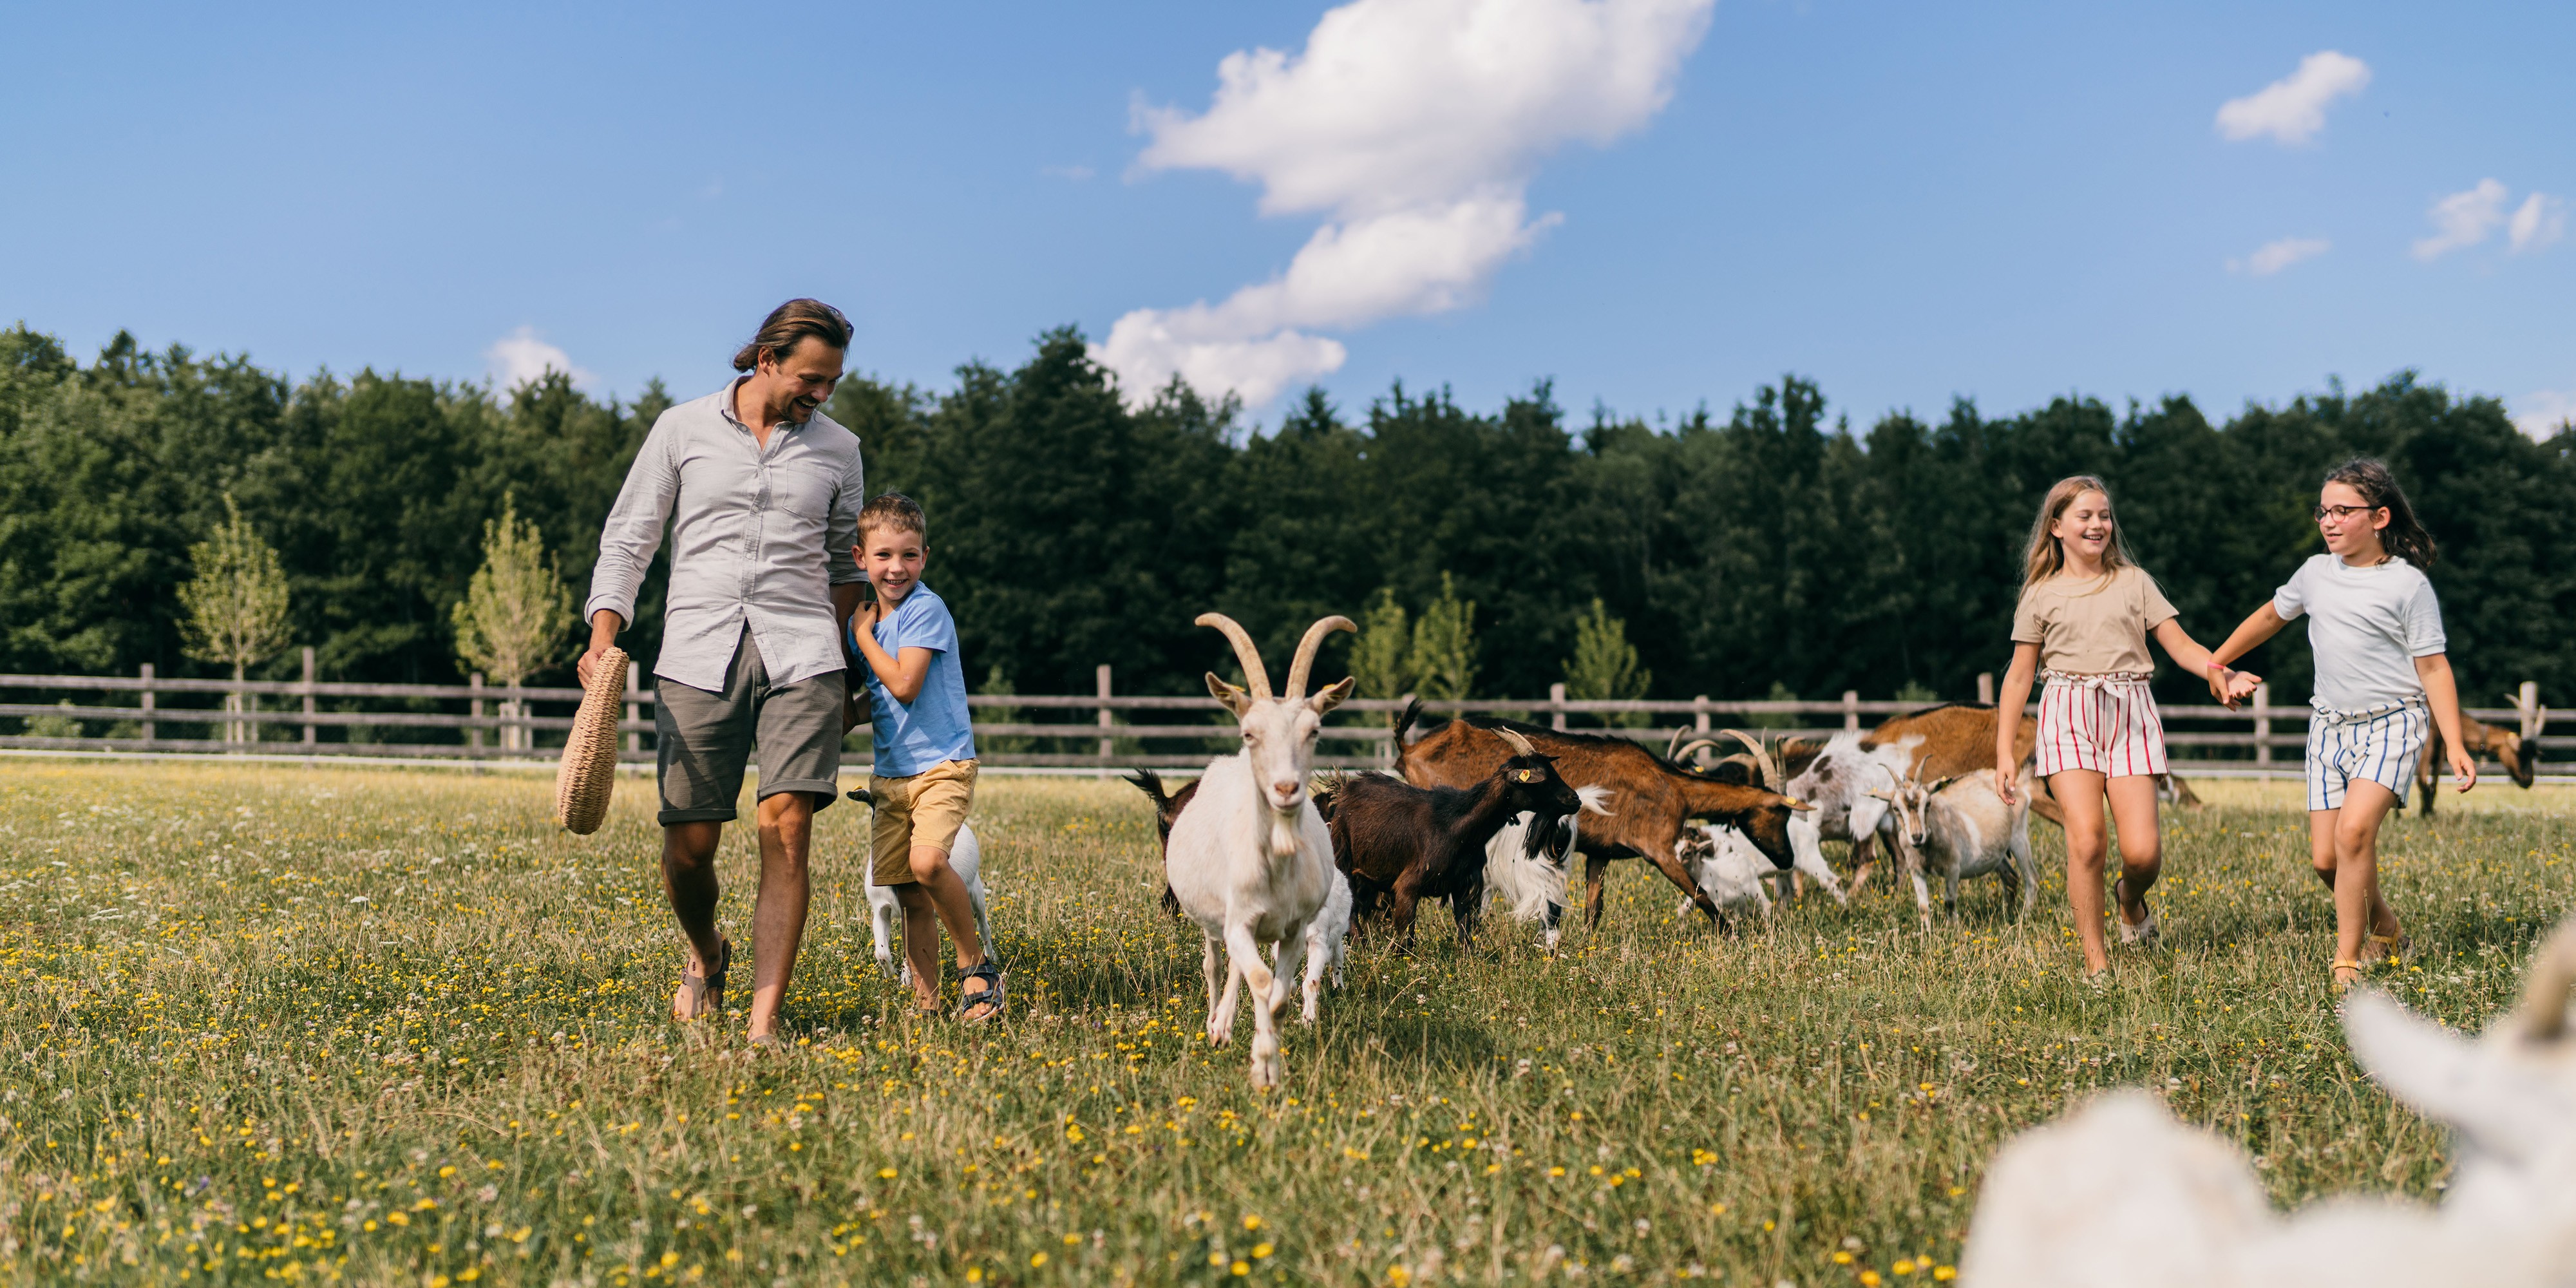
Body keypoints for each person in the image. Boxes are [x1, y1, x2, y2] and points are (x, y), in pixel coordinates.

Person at [580, 299, 868, 1047]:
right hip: (698, 650)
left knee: (788, 826)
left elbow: (846, 564)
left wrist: (841, 662)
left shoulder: (841, 449)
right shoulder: (683, 428)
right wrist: (603, 636)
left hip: (804, 651)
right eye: (812, 377)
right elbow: (630, 538)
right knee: (690, 845)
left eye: (833, 380)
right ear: (767, 358)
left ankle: (762, 1024)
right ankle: (707, 952)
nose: (822, 393)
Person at [2205, 458, 2474, 992]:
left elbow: (2434, 668)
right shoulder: (2314, 574)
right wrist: (2218, 661)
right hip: (2328, 728)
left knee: (2354, 835)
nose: (2328, 521)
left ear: (2378, 518)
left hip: (2392, 724)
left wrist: (2458, 743)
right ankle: (2388, 928)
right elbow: (2269, 617)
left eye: (2342, 511)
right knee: (2328, 860)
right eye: (2322, 511)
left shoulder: (2407, 586)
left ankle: (2347, 963)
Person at [1992, 475, 2234, 981]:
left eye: (2104, 515)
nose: (2098, 524)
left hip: (2130, 714)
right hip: (2067, 714)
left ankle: (2130, 899)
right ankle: (2097, 965)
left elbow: (2181, 645)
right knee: (2087, 842)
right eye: (2085, 516)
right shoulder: (2040, 594)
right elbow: (2018, 678)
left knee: (2142, 853)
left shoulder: (2134, 582)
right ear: (2056, 527)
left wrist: (2220, 671)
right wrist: (2003, 755)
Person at [844, 491, 998, 1021]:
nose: (896, 568)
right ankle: (927, 1006)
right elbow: (881, 695)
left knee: (928, 862)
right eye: (884, 555)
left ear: (925, 558)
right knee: (907, 895)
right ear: (860, 557)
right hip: (891, 776)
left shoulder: (924, 610)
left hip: (942, 764)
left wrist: (863, 637)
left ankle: (977, 969)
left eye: (909, 555)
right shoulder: (867, 624)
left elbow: (906, 684)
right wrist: (846, 716)